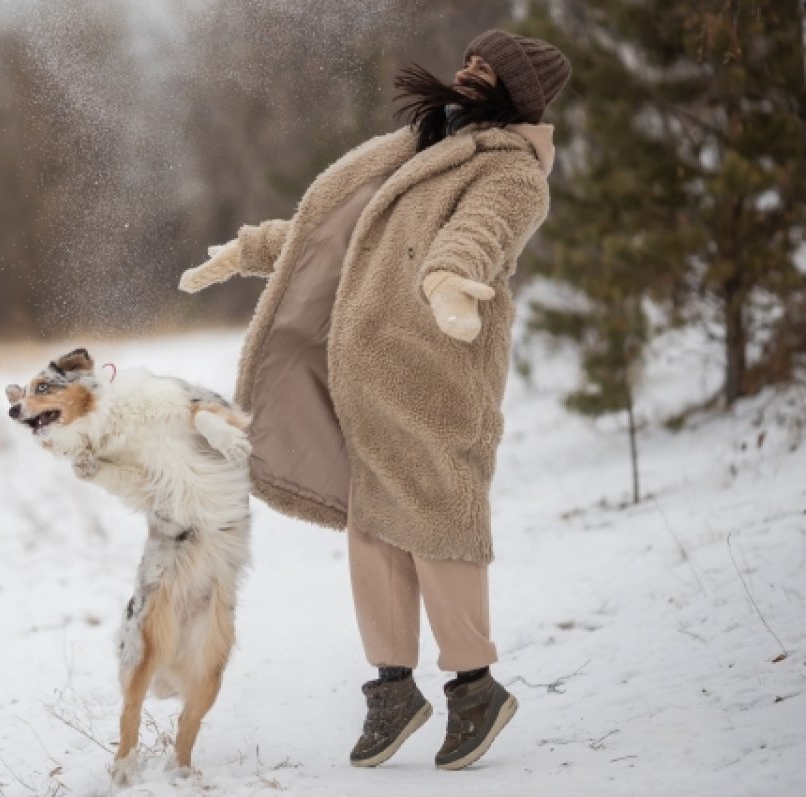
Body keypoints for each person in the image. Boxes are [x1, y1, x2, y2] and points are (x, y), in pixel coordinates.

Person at [177, 29, 571, 771]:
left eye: (487, 68)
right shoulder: (415, 149)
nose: (466, 70)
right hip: (365, 377)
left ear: (515, 93)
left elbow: (478, 234)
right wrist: (252, 250)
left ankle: (476, 685)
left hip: (435, 376)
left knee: (438, 519)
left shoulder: (512, 170)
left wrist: (452, 280)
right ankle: (393, 688)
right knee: (374, 529)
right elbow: (336, 234)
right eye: (471, 58)